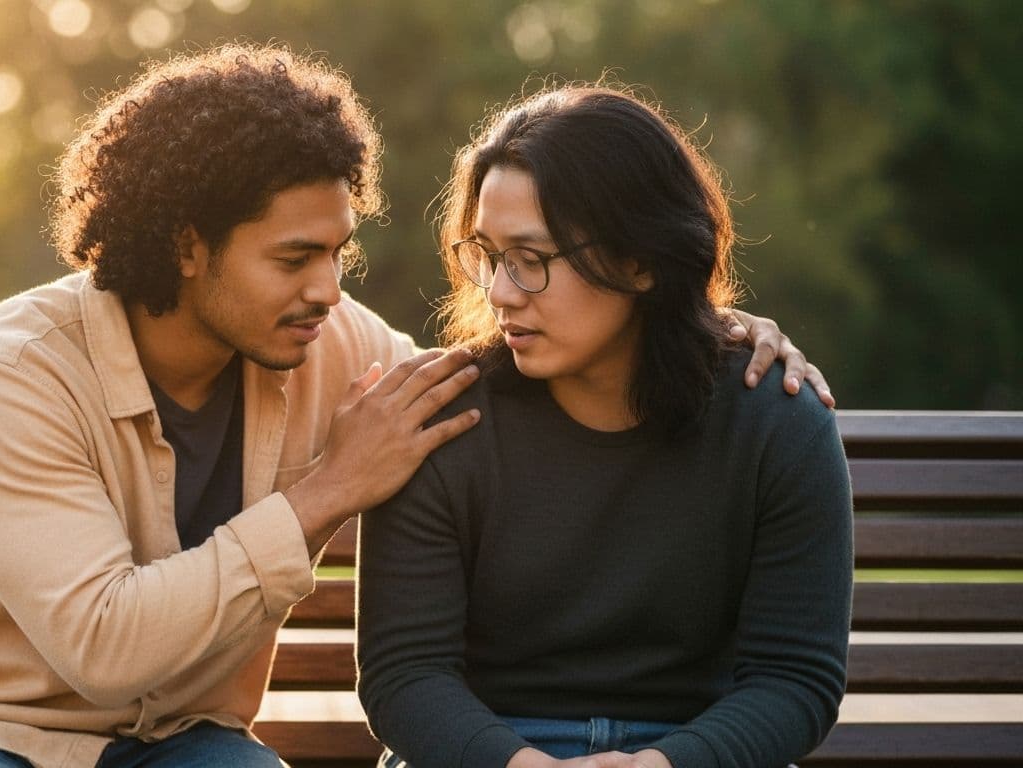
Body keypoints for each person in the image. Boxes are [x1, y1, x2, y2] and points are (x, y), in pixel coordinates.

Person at [0, 46, 829, 768]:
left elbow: (512, 371)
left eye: (337, 252)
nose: (328, 289)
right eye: (292, 257)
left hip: (183, 747)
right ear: (187, 243)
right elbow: (106, 649)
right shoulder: (12, 375)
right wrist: (326, 493)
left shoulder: (327, 339)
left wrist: (718, 324)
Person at [356, 85, 853, 768]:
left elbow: (794, 682)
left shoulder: (775, 422)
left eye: (531, 259)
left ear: (641, 260)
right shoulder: (444, 418)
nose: (500, 290)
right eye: (490, 255)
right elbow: (406, 676)